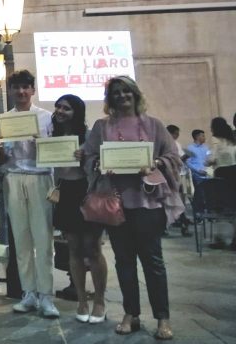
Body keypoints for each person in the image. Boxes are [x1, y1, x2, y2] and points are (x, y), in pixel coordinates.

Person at [84, 76, 183, 340]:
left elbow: (173, 157)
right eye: (116, 92)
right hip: (116, 204)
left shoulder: (153, 125)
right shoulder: (102, 126)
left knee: (153, 262)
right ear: (109, 98)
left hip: (147, 203)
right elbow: (90, 157)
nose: (122, 96)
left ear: (135, 94)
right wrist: (99, 165)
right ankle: (131, 314)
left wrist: (155, 164)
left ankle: (162, 317)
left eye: (126, 91)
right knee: (124, 261)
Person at [0, 70, 57, 318]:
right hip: (14, 177)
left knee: (43, 238)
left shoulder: (46, 118)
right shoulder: (4, 119)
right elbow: (2, 157)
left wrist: (40, 141)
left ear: (32, 90)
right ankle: (28, 293)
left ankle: (47, 296)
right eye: (16, 87)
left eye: (25, 87)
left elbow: (54, 150)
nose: (20, 92)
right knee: (21, 238)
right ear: (10, 91)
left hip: (40, 178)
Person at [49, 94, 107, 323]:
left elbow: (99, 163)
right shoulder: (51, 135)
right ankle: (82, 301)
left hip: (87, 191)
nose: (61, 111)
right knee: (73, 249)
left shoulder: (89, 135)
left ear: (77, 111)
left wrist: (86, 158)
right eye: (59, 107)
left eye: (67, 108)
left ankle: (100, 301)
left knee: (92, 248)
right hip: (66, 193)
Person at [207, 117, 236, 250]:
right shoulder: (233, 140)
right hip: (234, 176)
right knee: (233, 208)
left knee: (219, 210)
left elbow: (211, 159)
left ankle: (220, 239)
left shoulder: (216, 141)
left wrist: (207, 161)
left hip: (221, 177)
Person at [166, 124, 192, 236]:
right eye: (176, 133)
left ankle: (182, 223)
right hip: (169, 176)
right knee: (169, 202)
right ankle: (170, 225)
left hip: (179, 174)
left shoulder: (177, 144)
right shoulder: (166, 143)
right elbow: (173, 160)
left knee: (180, 200)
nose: (177, 135)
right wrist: (184, 158)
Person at [185, 129, 210, 216]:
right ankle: (198, 214)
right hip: (197, 175)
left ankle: (208, 213)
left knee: (208, 194)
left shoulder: (206, 147)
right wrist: (197, 170)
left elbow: (208, 158)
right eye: (202, 136)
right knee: (199, 194)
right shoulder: (190, 148)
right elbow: (188, 162)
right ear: (197, 137)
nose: (204, 137)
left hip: (207, 174)